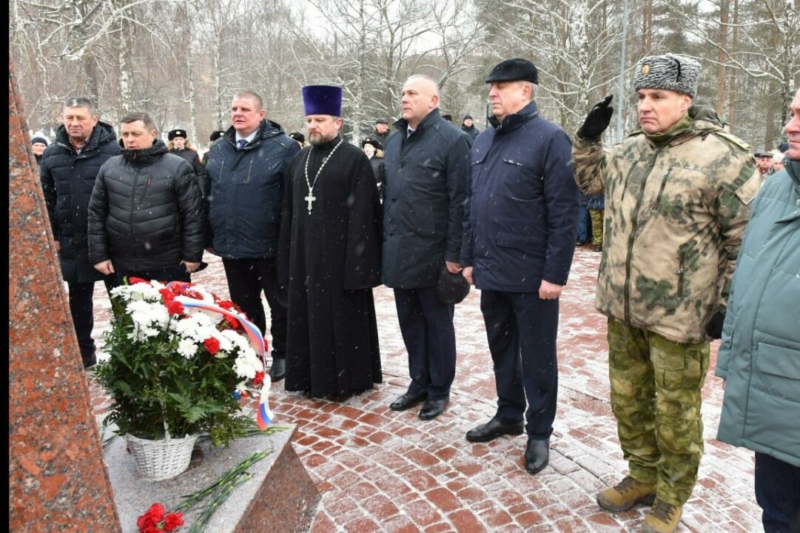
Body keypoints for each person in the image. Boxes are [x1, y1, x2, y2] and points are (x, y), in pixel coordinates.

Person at [572, 53, 760, 533]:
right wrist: (589, 138)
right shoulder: (631, 151)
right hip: (624, 306)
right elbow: (589, 181)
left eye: (657, 97)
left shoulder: (722, 156)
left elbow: (745, 240)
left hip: (682, 316)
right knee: (629, 401)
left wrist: (724, 306)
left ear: (685, 99)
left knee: (676, 414)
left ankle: (672, 496)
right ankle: (642, 475)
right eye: (640, 97)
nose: (645, 107)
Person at [461, 58, 579, 476]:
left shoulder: (550, 139)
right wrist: (469, 257)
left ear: (525, 91)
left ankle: (540, 431)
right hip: (493, 271)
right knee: (502, 351)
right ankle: (509, 414)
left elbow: (565, 213)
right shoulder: (483, 141)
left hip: (533, 278)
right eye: (491, 86)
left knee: (538, 358)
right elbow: (471, 204)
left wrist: (555, 275)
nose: (492, 92)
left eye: (502, 86)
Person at [715, 88, 800, 533]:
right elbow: (751, 274)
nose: (789, 127)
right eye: (791, 113)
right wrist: (733, 354)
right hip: (773, 392)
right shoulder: (777, 188)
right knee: (777, 511)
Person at [278, 85, 383, 401]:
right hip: (304, 258)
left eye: (320, 120)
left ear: (337, 123)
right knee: (306, 317)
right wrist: (286, 258)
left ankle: (348, 379)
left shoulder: (354, 159)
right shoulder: (299, 159)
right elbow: (289, 211)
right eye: (310, 120)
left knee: (341, 318)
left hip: (341, 260)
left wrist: (359, 266)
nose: (313, 126)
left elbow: (366, 216)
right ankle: (309, 377)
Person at [382, 74, 471, 421]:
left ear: (433, 101)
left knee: (437, 325)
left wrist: (454, 256)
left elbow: (460, 201)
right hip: (400, 250)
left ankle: (439, 390)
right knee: (410, 323)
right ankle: (418, 382)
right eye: (403, 92)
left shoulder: (452, 141)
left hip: (434, 255)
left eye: (412, 93)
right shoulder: (394, 141)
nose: (404, 98)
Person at [204, 90, 300, 382]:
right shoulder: (219, 149)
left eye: (245, 109)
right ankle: (253, 352)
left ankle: (284, 352)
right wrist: (209, 235)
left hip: (271, 245)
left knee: (280, 302)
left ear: (261, 114)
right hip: (233, 244)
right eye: (234, 108)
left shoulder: (284, 148)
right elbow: (207, 195)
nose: (238, 114)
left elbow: (291, 197)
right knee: (243, 305)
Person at [40, 96, 121, 369]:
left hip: (111, 241)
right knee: (79, 304)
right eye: (69, 117)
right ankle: (84, 355)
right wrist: (52, 234)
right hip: (71, 239)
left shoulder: (115, 151)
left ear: (94, 119)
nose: (74, 123)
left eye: (80, 118)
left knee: (122, 300)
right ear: (62, 118)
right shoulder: (52, 154)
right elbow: (46, 199)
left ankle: (127, 355)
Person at [88, 112, 205, 286]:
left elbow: (193, 215)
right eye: (125, 134)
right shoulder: (109, 168)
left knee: (171, 312)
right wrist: (99, 255)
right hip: (122, 263)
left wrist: (192, 255)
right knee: (128, 312)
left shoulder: (177, 167)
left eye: (136, 134)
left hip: (167, 262)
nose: (130, 140)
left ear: (152, 134)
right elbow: (96, 214)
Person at [168, 129, 207, 196]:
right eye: (176, 139)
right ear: (172, 141)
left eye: (180, 139)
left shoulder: (192, 154)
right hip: (172, 189)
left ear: (184, 140)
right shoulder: (167, 154)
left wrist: (201, 190)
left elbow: (200, 173)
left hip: (190, 189)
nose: (178, 141)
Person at [361, 137, 385, 202]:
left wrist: (381, 196)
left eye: (369, 146)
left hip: (376, 193)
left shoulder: (380, 162)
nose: (367, 148)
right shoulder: (360, 161)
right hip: (362, 193)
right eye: (365, 146)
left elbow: (384, 180)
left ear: (374, 148)